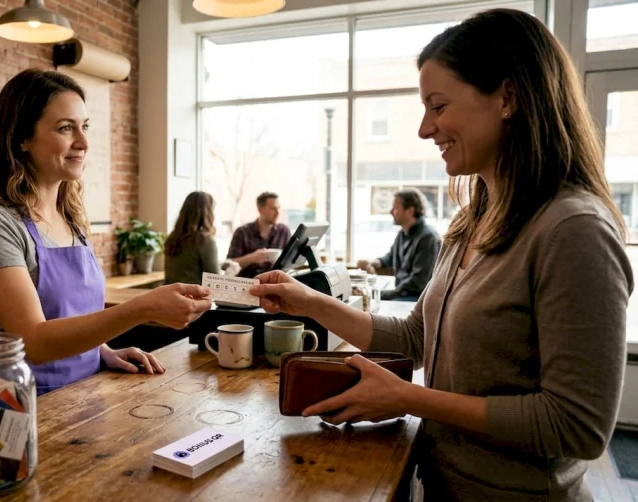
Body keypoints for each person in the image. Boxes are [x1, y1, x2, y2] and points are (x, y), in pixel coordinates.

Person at [249, 9, 632, 500]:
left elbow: (575, 425)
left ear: (508, 97)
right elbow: (416, 337)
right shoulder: (473, 220)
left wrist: (408, 398)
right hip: (442, 481)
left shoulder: (574, 231)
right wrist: (308, 301)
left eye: (438, 105)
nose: (425, 129)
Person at [0, 69, 211, 395]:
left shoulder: (70, 218)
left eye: (85, 126)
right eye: (66, 128)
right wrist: (142, 308)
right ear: (21, 137)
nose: (84, 142)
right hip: (17, 410)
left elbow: (70, 315)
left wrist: (102, 351)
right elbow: (33, 340)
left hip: (81, 399)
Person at [356, 188, 441, 301]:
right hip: (404, 295)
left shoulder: (428, 238)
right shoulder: (403, 233)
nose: (391, 212)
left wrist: (383, 295)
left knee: (371, 302)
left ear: (409, 211)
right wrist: (376, 262)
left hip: (418, 299)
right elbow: (391, 257)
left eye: (395, 208)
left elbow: (418, 282)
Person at [163, 191, 238, 285]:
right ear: (208, 212)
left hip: (171, 296)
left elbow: (189, 267)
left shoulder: (172, 238)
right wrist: (231, 273)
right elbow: (215, 283)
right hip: (193, 297)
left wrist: (221, 264)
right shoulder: (204, 240)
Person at [227, 191, 291, 277]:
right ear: (260, 209)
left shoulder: (284, 231)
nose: (278, 212)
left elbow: (291, 261)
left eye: (278, 208)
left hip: (275, 284)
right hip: (247, 283)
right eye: (273, 209)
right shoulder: (242, 232)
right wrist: (252, 258)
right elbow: (228, 264)